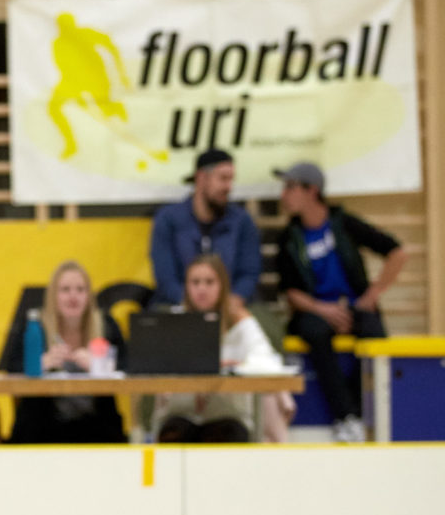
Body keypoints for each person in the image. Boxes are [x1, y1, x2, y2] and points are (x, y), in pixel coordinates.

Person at [274, 161, 405, 443]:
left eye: (290, 188)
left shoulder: (344, 224)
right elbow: (291, 292)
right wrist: (323, 309)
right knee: (314, 332)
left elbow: (396, 252)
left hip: (354, 305)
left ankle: (366, 410)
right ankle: (346, 416)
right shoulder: (289, 237)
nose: (283, 195)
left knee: (373, 331)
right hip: (315, 310)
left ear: (312, 191)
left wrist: (372, 295)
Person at [154, 254, 294, 443]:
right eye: (195, 282)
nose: (202, 289)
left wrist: (233, 368)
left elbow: (269, 362)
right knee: (173, 436)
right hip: (182, 415)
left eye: (209, 282)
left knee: (223, 436)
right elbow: (155, 366)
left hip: (228, 417)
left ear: (222, 286)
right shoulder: (175, 321)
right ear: (186, 286)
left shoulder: (239, 320)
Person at [6, 261, 127, 444]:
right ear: (53, 296)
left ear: (89, 296)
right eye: (65, 290)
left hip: (97, 425)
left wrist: (98, 365)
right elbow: (10, 366)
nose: (73, 296)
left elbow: (130, 366)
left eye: (80, 290)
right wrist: (40, 363)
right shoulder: (35, 326)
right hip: (42, 425)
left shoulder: (105, 325)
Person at [149, 148, 262, 311]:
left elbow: (249, 272)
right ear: (201, 177)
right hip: (181, 305)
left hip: (231, 306)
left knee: (264, 323)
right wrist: (194, 303)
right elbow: (165, 278)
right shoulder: (168, 219)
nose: (228, 187)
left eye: (231, 180)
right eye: (223, 179)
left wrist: (232, 300)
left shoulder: (241, 221)